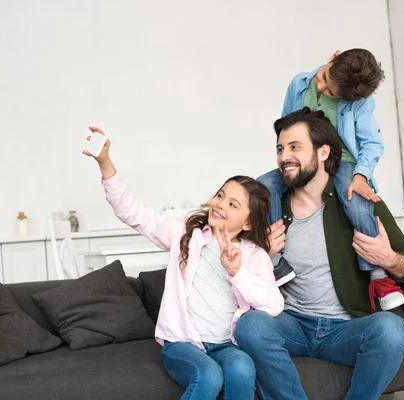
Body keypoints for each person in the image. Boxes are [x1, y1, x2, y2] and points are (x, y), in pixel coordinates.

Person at [83, 126, 284, 400]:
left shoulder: (254, 256)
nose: (221, 204)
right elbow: (132, 211)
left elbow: (274, 304)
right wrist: (105, 162)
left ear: (248, 222)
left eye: (233, 204)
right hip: (182, 344)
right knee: (209, 375)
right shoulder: (184, 235)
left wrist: (236, 272)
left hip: (225, 345)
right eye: (221, 195)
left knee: (242, 367)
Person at [236, 108, 404, 400]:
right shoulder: (270, 208)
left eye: (295, 147)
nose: (284, 156)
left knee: (392, 331)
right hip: (292, 323)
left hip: (345, 328)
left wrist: (388, 259)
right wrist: (263, 254)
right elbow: (235, 264)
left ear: (323, 152)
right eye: (280, 149)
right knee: (250, 325)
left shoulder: (357, 200)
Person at [258, 49, 404, 310]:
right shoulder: (299, 84)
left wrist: (360, 176)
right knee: (265, 185)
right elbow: (286, 127)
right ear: (333, 56)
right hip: (308, 157)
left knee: (356, 202)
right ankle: (277, 262)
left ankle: (378, 277)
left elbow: (372, 142)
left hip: (344, 160)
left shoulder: (360, 103)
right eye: (324, 76)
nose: (321, 86)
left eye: (330, 92)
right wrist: (290, 155)